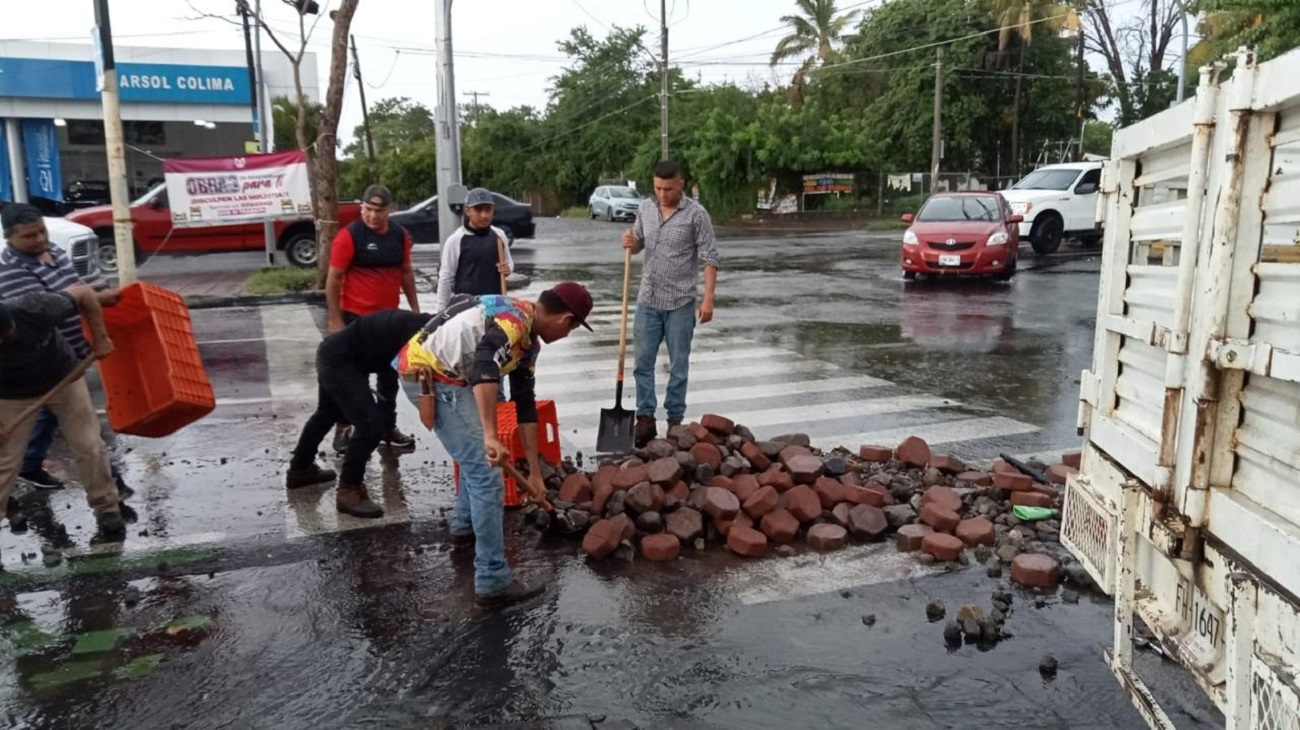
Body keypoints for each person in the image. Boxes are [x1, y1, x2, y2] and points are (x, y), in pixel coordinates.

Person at [396, 283, 593, 608]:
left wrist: (535, 474)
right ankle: (492, 581)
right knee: (486, 475)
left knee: (475, 462)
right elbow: (484, 364)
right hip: (429, 377)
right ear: (566, 319)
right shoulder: (513, 321)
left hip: (452, 378)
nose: (569, 334)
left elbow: (524, 404)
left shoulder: (529, 343)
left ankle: (463, 528)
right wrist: (490, 435)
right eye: (573, 327)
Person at [0, 203, 132, 497]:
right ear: (9, 238)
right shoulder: (11, 274)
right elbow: (47, 316)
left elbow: (78, 291)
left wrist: (99, 302)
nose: (39, 240)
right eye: (29, 236)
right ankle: (106, 480)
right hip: (33, 369)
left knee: (76, 431)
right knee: (18, 451)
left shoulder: (56, 253)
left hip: (67, 360)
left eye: (41, 232)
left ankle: (103, 493)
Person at [284, 307, 436, 520]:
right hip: (339, 360)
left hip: (336, 354)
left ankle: (300, 470)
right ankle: (349, 490)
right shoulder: (421, 336)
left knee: (327, 412)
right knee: (369, 425)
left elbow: (392, 376)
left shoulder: (422, 326)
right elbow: (416, 383)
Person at [0, 286, 126, 544]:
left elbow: (84, 294)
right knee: (5, 461)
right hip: (10, 393)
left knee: (89, 445)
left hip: (63, 377)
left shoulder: (34, 306)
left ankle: (107, 508)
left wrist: (100, 338)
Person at [621, 160, 719, 447]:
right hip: (648, 300)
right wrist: (630, 241)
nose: (662, 194)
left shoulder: (696, 215)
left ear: (681, 184)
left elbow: (709, 257)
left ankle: (675, 420)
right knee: (642, 363)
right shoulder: (646, 209)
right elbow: (639, 243)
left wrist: (708, 298)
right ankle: (646, 417)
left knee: (678, 365)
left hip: (680, 303)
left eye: (667, 188)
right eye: (657, 188)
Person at [326, 184, 420, 454]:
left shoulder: (399, 236)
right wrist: (335, 320)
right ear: (361, 208)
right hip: (355, 318)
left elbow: (406, 274)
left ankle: (387, 428)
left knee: (389, 377)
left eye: (379, 211)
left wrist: (414, 311)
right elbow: (333, 280)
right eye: (368, 210)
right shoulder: (349, 237)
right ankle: (344, 428)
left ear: (389, 211)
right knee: (352, 379)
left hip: (389, 321)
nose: (372, 216)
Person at [435, 187, 513, 312]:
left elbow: (509, 262)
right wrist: (440, 313)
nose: (484, 215)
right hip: (466, 309)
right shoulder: (456, 240)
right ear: (467, 210)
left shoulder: (499, 236)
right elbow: (446, 278)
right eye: (478, 210)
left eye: (488, 210)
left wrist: (508, 268)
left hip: (495, 307)